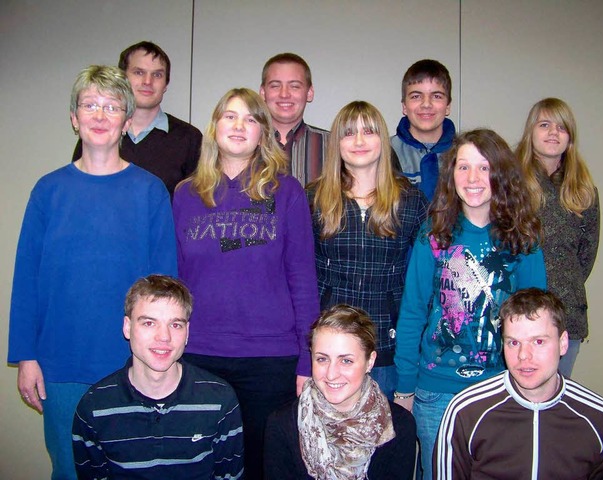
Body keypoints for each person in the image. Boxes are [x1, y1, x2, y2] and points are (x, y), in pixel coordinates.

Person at [8, 65, 177, 480]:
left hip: (132, 364)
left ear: (125, 120)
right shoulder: (48, 191)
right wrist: (26, 356)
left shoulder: (150, 191)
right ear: (74, 118)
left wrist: (162, 356)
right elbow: (26, 280)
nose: (100, 115)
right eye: (90, 105)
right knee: (69, 471)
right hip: (61, 365)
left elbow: (166, 286)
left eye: (112, 106)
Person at [173, 88, 319, 480]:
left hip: (269, 360)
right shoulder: (186, 195)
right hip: (199, 354)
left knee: (261, 467)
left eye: (251, 119)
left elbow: (303, 281)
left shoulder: (287, 193)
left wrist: (307, 359)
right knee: (201, 466)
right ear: (215, 127)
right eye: (230, 116)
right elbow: (174, 282)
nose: (239, 126)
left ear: (262, 133)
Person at [394, 129, 546, 480]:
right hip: (437, 392)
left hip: (504, 388)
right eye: (463, 167)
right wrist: (404, 388)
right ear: (451, 176)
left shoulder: (523, 239)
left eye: (483, 167)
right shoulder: (433, 235)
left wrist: (536, 383)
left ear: (500, 175)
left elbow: (539, 322)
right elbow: (413, 313)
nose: (473, 178)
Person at [434, 288, 603, 479]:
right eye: (514, 343)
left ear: (563, 343)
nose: (523, 355)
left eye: (539, 341)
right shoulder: (466, 412)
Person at [307, 101, 428, 399]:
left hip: (387, 346)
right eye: (349, 134)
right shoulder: (312, 198)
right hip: (327, 348)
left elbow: (425, 281)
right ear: (337, 143)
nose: (359, 141)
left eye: (369, 131)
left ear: (383, 140)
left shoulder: (411, 201)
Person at [72, 275, 244, 480]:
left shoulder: (220, 400)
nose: (164, 337)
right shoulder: (94, 407)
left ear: (187, 332)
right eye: (149, 323)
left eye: (175, 325)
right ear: (127, 327)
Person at [265, 304, 417, 480]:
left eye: (346, 361)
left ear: (370, 361)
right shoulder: (282, 425)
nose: (331, 374)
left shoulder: (400, 425)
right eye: (322, 359)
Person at [516, 98, 600, 377]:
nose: (553, 132)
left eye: (562, 127)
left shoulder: (584, 190)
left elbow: (585, 258)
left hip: (566, 314)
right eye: (545, 125)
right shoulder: (511, 183)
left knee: (555, 404)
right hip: (516, 312)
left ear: (570, 137)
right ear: (531, 132)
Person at [72, 41, 202, 198]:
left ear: (166, 84)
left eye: (157, 74)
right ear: (123, 79)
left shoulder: (190, 139)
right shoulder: (100, 133)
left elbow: (196, 207)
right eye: (139, 72)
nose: (148, 81)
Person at [391, 59, 456, 201]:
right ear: (404, 106)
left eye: (437, 96)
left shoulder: (464, 154)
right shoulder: (385, 153)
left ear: (448, 106)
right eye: (416, 96)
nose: (426, 104)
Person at [260, 52, 328, 186]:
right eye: (275, 85)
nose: (284, 94)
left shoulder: (334, 146)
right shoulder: (244, 146)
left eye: (295, 86)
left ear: (309, 93)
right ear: (263, 93)